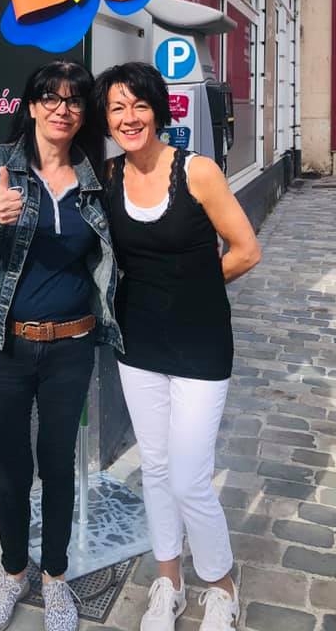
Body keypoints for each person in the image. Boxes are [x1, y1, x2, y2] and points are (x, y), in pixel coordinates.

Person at [0, 61, 122, 631]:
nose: (62, 109)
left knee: (58, 464)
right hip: (3, 346)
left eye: (74, 100)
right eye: (50, 97)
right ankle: (13, 572)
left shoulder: (97, 178)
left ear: (84, 113)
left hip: (71, 346)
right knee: (12, 466)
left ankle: (56, 579)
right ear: (31, 106)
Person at [93, 62, 262, 631]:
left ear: (158, 111)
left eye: (139, 105)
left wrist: (195, 288)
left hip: (200, 343)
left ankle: (221, 584)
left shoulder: (198, 172)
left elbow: (246, 250)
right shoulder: (108, 177)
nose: (129, 117)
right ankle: (169, 581)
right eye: (117, 108)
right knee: (158, 467)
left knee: (190, 475)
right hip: (138, 344)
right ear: (107, 120)